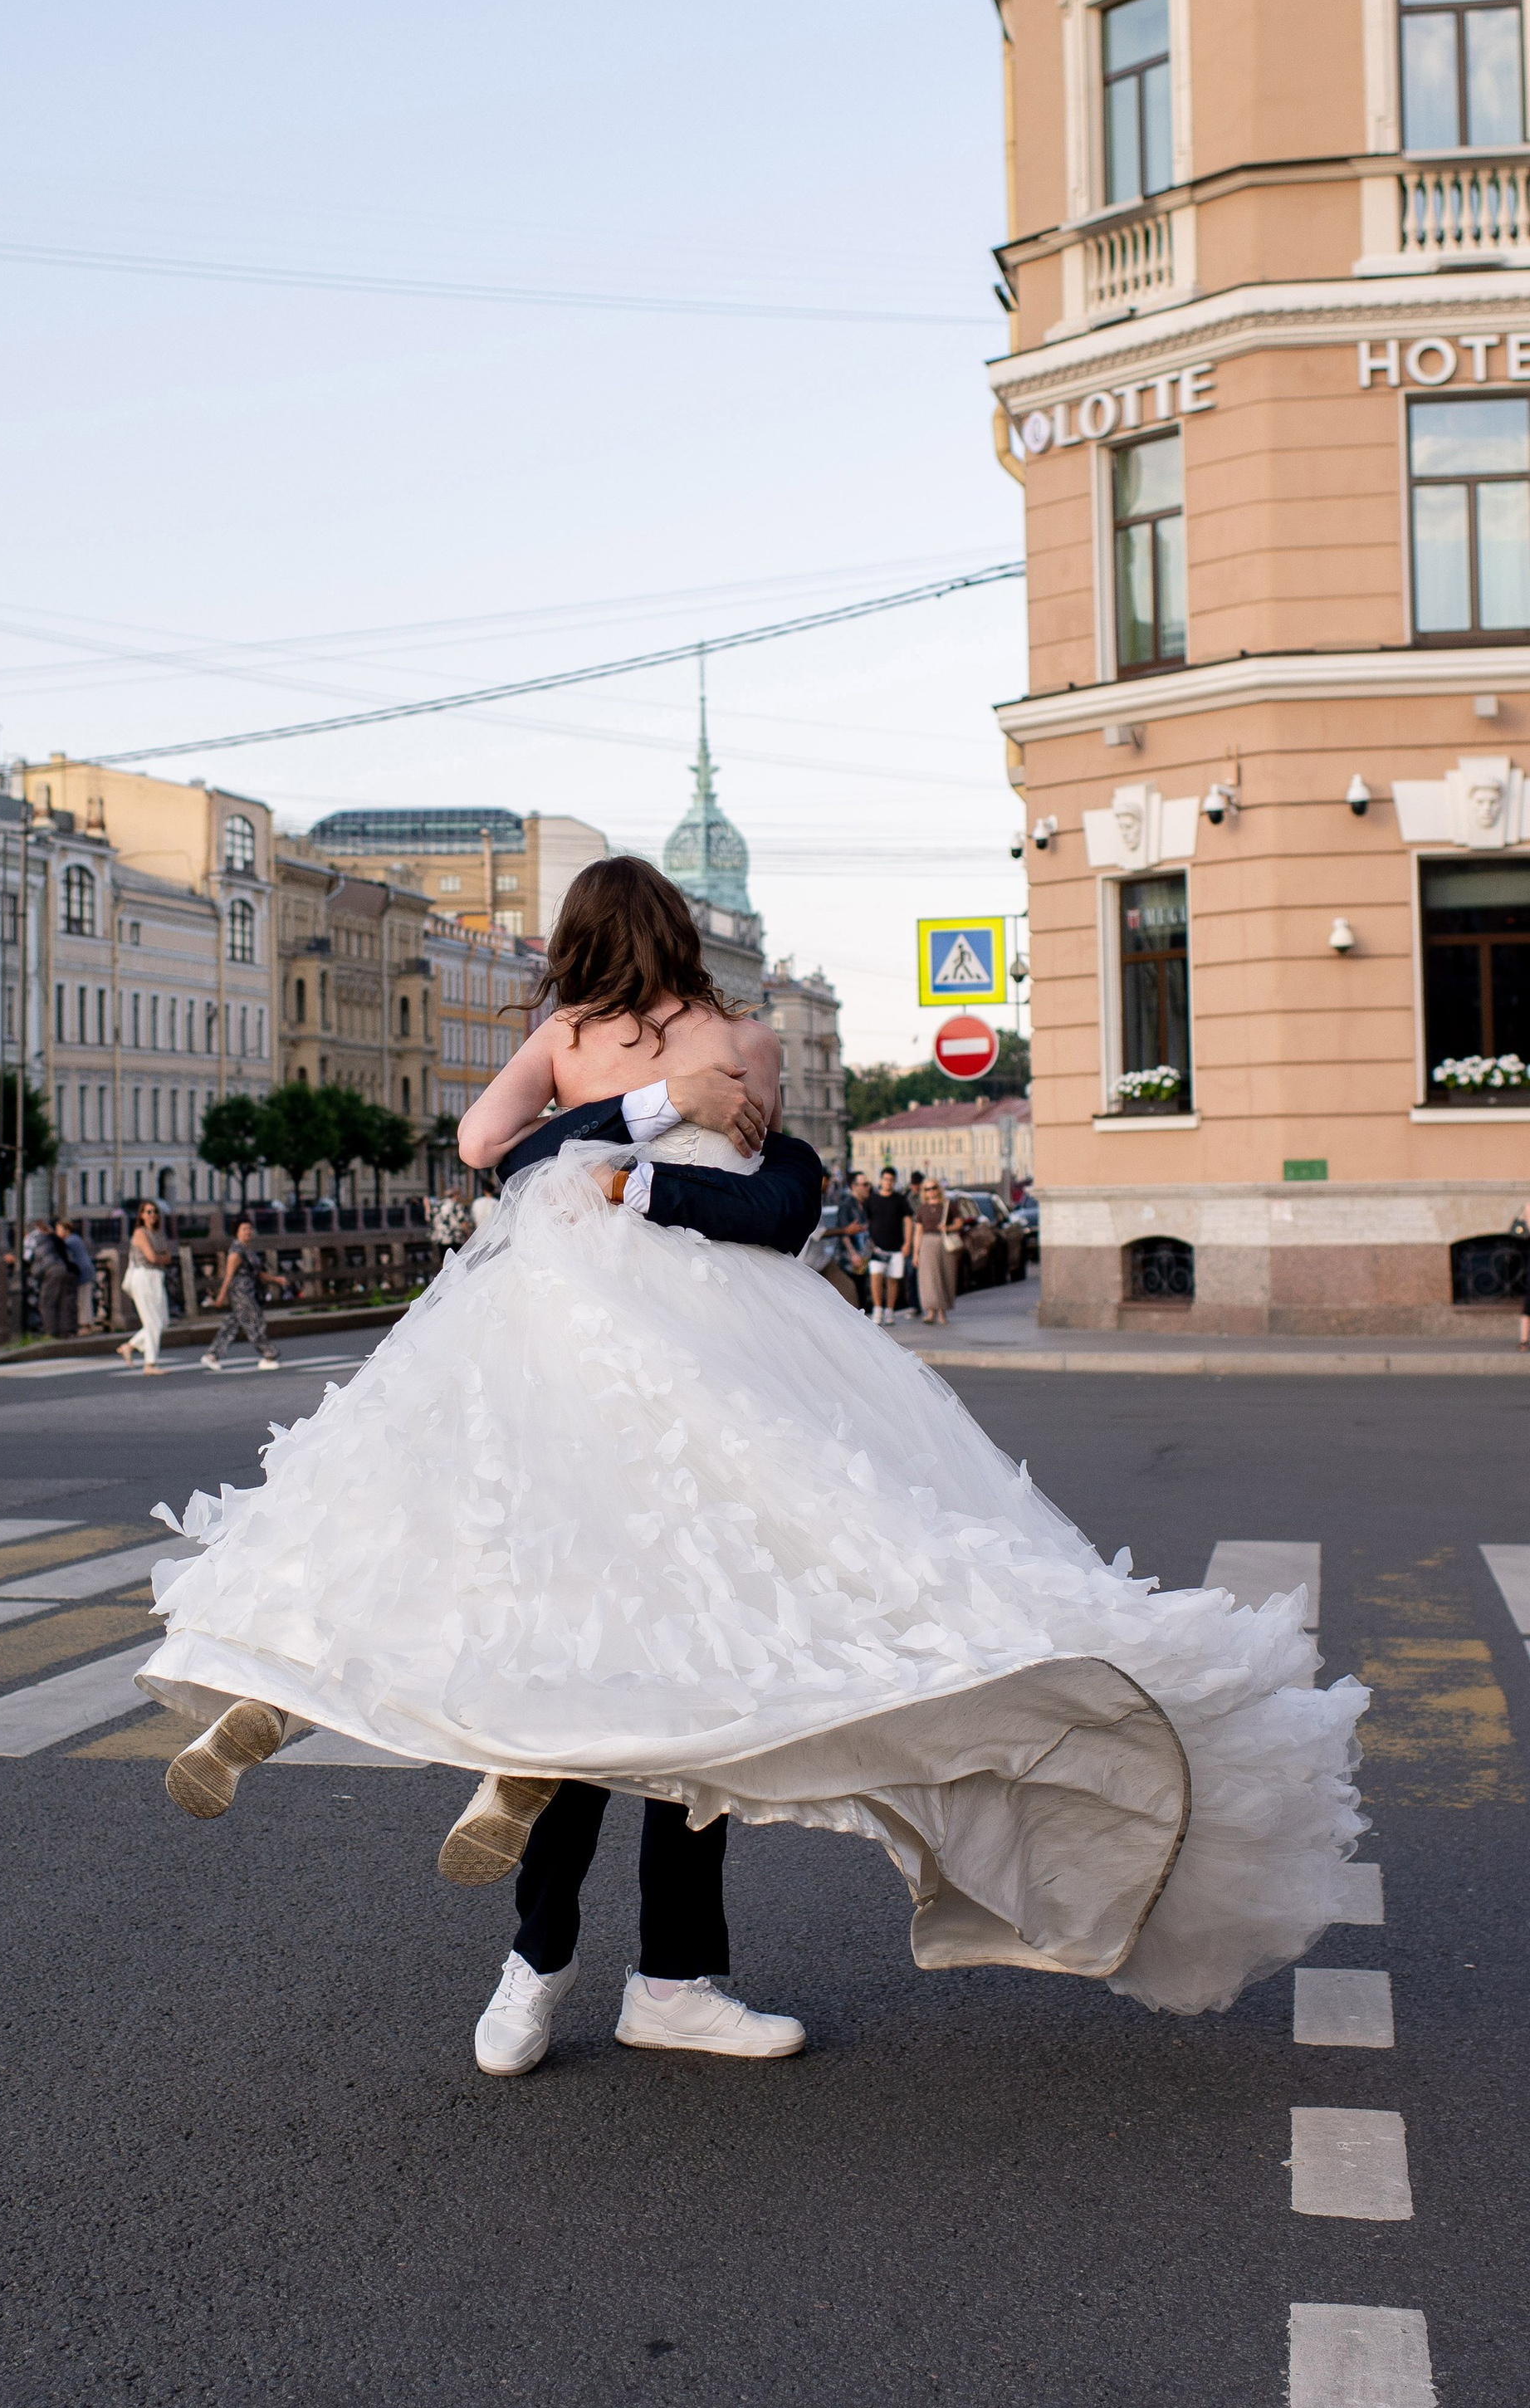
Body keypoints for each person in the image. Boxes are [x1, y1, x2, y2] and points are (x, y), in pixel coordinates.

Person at [141, 853, 1366, 2084]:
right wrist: (660, 1106)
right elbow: (640, 1179)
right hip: (692, 1369)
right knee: (689, 1663)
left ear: (576, 941)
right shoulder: (732, 1039)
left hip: (574, 1368)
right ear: (681, 933)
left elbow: (562, 1161)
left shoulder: (572, 1036)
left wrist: (626, 1158)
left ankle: (531, 1942)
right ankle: (639, 1969)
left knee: (599, 1650)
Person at [200, 1216, 280, 1373]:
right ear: (237, 1232)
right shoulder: (236, 1252)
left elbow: (258, 1273)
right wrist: (221, 1296)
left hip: (251, 1291)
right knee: (255, 1322)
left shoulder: (247, 1249)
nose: (248, 1232)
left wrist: (276, 1279)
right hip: (241, 1293)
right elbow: (228, 1276)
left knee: (232, 1324)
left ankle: (212, 1355)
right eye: (244, 1229)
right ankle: (268, 1355)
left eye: (250, 1229)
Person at [117, 1199, 173, 1372]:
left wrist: (161, 1258)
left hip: (156, 1277)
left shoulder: (158, 1234)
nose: (153, 1215)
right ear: (141, 1215)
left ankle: (130, 1346)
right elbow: (152, 1258)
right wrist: (161, 1258)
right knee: (152, 1322)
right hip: (143, 1277)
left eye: (155, 1212)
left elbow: (167, 1257)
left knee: (162, 1321)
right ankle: (150, 1364)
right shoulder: (140, 1233)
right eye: (148, 1212)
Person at [864, 1166, 911, 1324]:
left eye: (891, 1180)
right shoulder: (873, 1199)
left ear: (895, 1181)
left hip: (896, 1246)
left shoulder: (900, 1199)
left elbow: (908, 1220)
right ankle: (877, 1309)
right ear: (881, 1180)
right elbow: (867, 1221)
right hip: (877, 1247)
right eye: (885, 1179)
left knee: (893, 1279)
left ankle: (890, 1311)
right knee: (876, 1278)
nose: (888, 1182)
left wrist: (907, 1243)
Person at [912, 1172, 956, 1329]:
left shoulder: (947, 1205)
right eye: (927, 1189)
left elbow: (959, 1222)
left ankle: (942, 1312)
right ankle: (930, 1312)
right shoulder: (922, 1209)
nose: (930, 1191)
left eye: (933, 1188)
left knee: (945, 1276)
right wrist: (915, 1253)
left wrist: (948, 1227)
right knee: (928, 1278)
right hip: (927, 1243)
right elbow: (918, 1232)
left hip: (944, 1243)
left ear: (939, 1189)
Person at [27, 1217, 77, 1341]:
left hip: (50, 1270)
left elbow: (28, 1257)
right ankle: (66, 1331)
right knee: (64, 1301)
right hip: (65, 1269)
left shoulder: (32, 1238)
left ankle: (50, 1333)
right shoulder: (51, 1237)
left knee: (47, 1302)